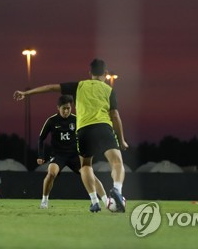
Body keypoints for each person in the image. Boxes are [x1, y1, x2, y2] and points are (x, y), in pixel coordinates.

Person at [14, 58, 128, 213]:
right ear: (105, 73)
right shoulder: (109, 90)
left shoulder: (79, 85)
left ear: (90, 73)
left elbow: (50, 87)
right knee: (116, 162)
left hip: (84, 131)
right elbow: (115, 115)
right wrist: (121, 139)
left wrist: (27, 93)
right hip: (103, 127)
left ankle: (95, 201)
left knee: (86, 165)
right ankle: (117, 191)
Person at [37, 94, 109, 209]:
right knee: (51, 173)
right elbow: (41, 139)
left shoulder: (77, 120)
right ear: (58, 108)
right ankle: (44, 201)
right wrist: (40, 155)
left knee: (91, 176)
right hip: (58, 155)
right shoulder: (51, 121)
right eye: (63, 108)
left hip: (75, 155)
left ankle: (107, 202)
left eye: (68, 108)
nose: (66, 111)